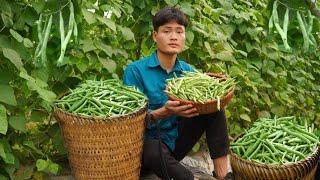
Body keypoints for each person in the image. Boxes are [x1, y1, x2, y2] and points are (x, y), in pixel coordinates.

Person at [123, 7, 231, 180]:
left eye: (179, 31)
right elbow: (127, 123)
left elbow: (207, 104)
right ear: (155, 36)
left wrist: (217, 90)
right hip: (143, 150)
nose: (174, 37)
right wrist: (164, 112)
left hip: (175, 144)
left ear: (184, 36)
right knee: (151, 148)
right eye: (166, 31)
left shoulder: (190, 73)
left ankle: (223, 175)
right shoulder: (135, 71)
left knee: (215, 106)